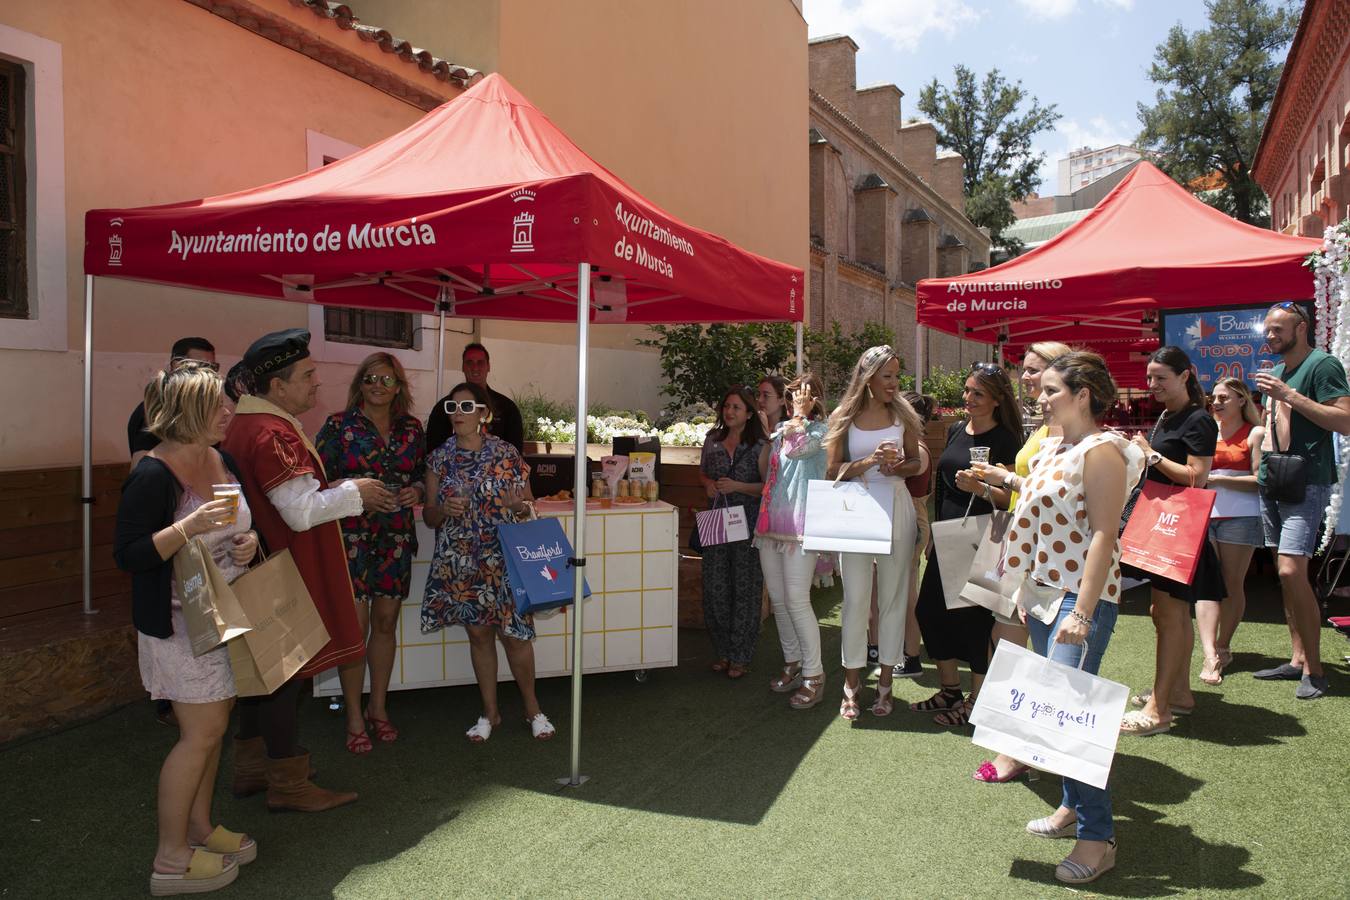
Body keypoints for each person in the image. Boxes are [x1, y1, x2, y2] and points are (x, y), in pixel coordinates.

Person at [990, 351, 1144, 885]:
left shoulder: (1102, 451)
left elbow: (1105, 533)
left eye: (1051, 389)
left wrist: (1081, 609)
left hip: (1078, 603)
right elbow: (1035, 514)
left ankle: (1099, 837)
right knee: (1054, 715)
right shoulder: (1056, 445)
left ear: (1083, 395)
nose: (1039, 396)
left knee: (1071, 720)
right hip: (1040, 597)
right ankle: (1071, 806)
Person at [222, 328, 391, 811]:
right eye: (308, 376)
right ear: (278, 387)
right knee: (284, 678)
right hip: (282, 570)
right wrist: (357, 491)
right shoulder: (271, 433)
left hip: (258, 567)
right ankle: (288, 782)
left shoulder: (245, 425)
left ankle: (252, 769)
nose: (318, 383)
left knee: (262, 675)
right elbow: (299, 510)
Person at [114, 361, 259, 895]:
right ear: (187, 412)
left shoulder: (220, 457)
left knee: (213, 730)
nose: (228, 411)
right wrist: (187, 527)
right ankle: (170, 859)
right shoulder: (153, 474)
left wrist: (250, 544)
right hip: (176, 625)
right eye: (217, 404)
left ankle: (198, 829)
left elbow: (242, 527)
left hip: (220, 616)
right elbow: (128, 555)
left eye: (228, 401)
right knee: (199, 735)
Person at [422, 382, 553, 742]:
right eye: (453, 407)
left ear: (484, 414)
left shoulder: (507, 453)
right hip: (462, 560)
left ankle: (533, 709)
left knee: (515, 636)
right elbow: (429, 517)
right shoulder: (439, 458)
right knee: (479, 636)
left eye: (467, 407)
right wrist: (442, 511)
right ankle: (490, 712)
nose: (459, 414)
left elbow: (529, 505)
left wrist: (518, 507)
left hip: (504, 559)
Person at [315, 353, 427, 752]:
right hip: (352, 537)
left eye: (386, 379)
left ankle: (379, 709)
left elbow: (420, 474)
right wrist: (354, 489)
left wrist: (418, 490)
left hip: (395, 535)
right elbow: (317, 482)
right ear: (360, 384)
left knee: (385, 623)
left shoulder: (412, 428)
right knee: (355, 628)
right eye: (370, 378)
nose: (378, 385)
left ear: (399, 386)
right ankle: (353, 716)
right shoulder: (337, 426)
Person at [972, 340, 1071, 781]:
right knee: (1007, 641)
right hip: (1017, 546)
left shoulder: (1070, 430)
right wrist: (994, 487)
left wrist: (1007, 478)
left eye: (1034, 370)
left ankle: (1035, 747)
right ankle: (1014, 744)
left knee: (1043, 654)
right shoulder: (1043, 426)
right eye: (1024, 370)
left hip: (1049, 558)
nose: (1025, 378)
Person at [1120, 346, 1223, 736]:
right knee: (1164, 614)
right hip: (1161, 525)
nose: (1152, 385)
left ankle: (1159, 710)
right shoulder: (1168, 415)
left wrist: (1151, 455)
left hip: (1178, 530)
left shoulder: (1199, 419)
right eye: (1149, 377)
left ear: (1186, 375)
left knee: (1170, 614)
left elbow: (1197, 477)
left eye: (1161, 377)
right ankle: (1177, 694)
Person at [912, 362, 1022, 726]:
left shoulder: (1007, 439)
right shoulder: (958, 428)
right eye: (967, 390)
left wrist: (984, 489)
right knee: (928, 612)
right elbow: (943, 485)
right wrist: (935, 536)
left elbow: (1011, 499)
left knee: (971, 620)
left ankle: (978, 699)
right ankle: (950, 689)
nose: (968, 398)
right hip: (949, 534)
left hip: (983, 535)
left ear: (996, 399)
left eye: (977, 393)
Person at [1252, 301, 1350, 699]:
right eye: (1268, 331)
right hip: (1273, 478)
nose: (1271, 336)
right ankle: (1297, 660)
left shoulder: (1322, 365)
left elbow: (1343, 420)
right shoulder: (1277, 371)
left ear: (1301, 328)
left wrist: (1289, 395)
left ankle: (1315, 668)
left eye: (1279, 330)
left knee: (1293, 572)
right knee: (1283, 572)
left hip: (1307, 481)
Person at [825, 346, 922, 719]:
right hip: (856, 514)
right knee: (856, 599)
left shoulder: (903, 415)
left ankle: (885, 683)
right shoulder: (843, 417)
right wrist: (868, 462)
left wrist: (898, 466)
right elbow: (831, 470)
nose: (895, 384)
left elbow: (916, 462)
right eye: (888, 376)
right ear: (868, 378)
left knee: (894, 597)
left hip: (897, 508)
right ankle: (851, 684)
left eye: (897, 376)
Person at [755, 373, 829, 708]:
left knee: (797, 599)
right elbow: (770, 470)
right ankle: (793, 662)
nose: (794, 401)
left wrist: (799, 416)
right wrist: (787, 422)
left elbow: (799, 452)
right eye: (792, 396)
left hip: (802, 527)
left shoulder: (822, 433)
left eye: (801, 396)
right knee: (781, 600)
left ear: (816, 399)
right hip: (771, 525)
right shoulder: (782, 429)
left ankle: (815, 674)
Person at [698, 385, 769, 679]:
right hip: (716, 524)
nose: (729, 412)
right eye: (727, 406)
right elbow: (702, 473)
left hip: (748, 525)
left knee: (745, 590)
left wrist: (737, 486)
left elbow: (767, 487)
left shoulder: (761, 445)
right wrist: (708, 485)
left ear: (749, 413)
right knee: (714, 589)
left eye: (736, 407)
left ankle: (740, 656)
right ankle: (724, 651)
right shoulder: (712, 440)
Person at [1198, 377, 1265, 686]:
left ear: (1242, 400)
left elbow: (1260, 479)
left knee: (1231, 583)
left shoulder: (1256, 433)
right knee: (1207, 584)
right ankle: (1210, 653)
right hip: (1204, 515)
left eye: (1225, 396)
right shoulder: (1207, 430)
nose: (1218, 401)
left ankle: (1223, 645)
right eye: (1215, 397)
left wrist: (1217, 479)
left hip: (1241, 517)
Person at [894, 390, 936, 680]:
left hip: (911, 522)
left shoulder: (916, 450)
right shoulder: (913, 447)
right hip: (910, 520)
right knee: (903, 592)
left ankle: (911, 657)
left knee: (908, 595)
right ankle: (906, 652)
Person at [129, 337, 218, 471]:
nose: (208, 374)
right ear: (176, 365)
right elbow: (142, 470)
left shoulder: (202, 409)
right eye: (201, 366)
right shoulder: (160, 410)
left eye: (213, 367)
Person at [426, 343, 524, 453]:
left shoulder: (507, 408)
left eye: (480, 363)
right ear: (462, 367)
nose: (475, 368)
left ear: (488, 367)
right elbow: (432, 450)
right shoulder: (445, 407)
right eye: (469, 362)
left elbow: (516, 452)